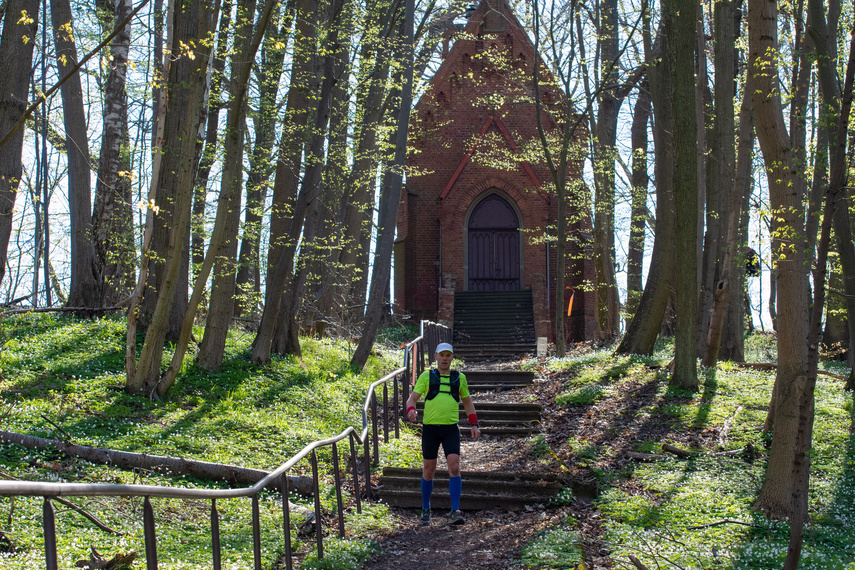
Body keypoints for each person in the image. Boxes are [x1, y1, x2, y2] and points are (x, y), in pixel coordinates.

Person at [405, 342, 481, 526]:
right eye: (442, 355)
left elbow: (467, 402)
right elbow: (411, 399)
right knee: (429, 470)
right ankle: (425, 508)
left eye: (448, 355)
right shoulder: (426, 376)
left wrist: (474, 424)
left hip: (450, 429)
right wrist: (411, 411)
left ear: (452, 358)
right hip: (430, 429)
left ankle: (455, 510)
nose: (445, 358)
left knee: (454, 467)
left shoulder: (459, 378)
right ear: (436, 357)